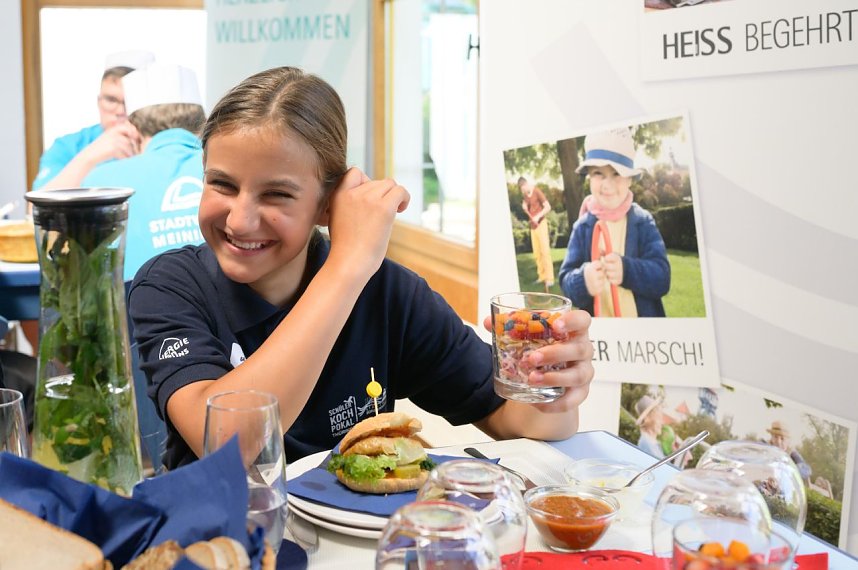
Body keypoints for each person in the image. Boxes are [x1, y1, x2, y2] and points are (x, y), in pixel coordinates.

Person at [127, 67, 595, 471]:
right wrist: (348, 265)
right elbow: (235, 444)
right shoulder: (169, 285)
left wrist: (552, 385)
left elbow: (524, 421)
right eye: (222, 185)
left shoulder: (390, 294)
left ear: (328, 204)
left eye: (276, 194)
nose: (240, 219)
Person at [81, 63, 206, 282]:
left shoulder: (100, 183)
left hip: (132, 311)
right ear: (202, 126)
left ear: (133, 131)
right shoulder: (230, 173)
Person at [558, 128, 670, 317]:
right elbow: (566, 281)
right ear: (589, 177)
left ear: (630, 180)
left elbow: (662, 279)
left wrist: (627, 270)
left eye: (617, 173)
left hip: (641, 335)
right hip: (598, 338)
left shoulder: (643, 222)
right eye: (598, 173)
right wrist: (583, 280)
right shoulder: (582, 227)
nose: (607, 184)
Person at [31, 50, 155, 191]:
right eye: (111, 100)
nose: (120, 111)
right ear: (98, 101)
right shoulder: (69, 146)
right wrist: (90, 157)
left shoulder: (160, 144)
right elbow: (35, 208)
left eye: (129, 101)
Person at [518, 177, 555, 293]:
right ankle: (541, 276)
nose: (524, 191)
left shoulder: (537, 191)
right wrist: (524, 207)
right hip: (533, 226)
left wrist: (538, 216)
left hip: (541, 224)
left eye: (524, 188)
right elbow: (526, 206)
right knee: (537, 252)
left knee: (545, 251)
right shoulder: (525, 196)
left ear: (527, 184)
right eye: (522, 190)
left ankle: (550, 278)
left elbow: (548, 207)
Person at [766, 421, 812, 486]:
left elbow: (806, 469)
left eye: (782, 439)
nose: (778, 442)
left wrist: (790, 469)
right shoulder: (765, 447)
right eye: (775, 437)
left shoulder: (791, 453)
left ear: (788, 441)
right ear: (771, 437)